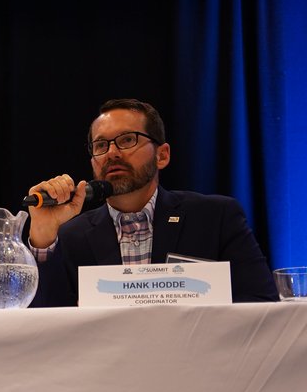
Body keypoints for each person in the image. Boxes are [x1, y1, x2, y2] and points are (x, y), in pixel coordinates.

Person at [26, 98, 278, 307]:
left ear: (162, 155)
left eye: (127, 140)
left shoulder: (215, 218)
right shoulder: (71, 236)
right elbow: (43, 327)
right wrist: (44, 236)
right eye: (101, 145)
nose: (112, 152)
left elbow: (261, 306)